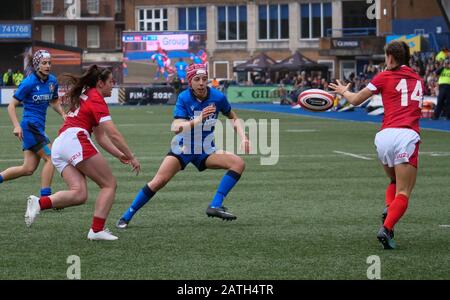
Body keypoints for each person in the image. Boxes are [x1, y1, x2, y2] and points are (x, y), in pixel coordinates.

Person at [116, 63, 250, 229]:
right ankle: (127, 215)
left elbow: (233, 116)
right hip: (183, 149)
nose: (201, 83)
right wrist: (199, 119)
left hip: (206, 150)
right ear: (190, 82)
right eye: (197, 79)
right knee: (158, 181)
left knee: (238, 163)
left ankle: (215, 205)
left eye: (204, 79)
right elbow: (176, 127)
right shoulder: (184, 98)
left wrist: (244, 137)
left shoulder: (218, 97)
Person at [24, 65, 141, 241]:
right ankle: (96, 230)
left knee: (79, 194)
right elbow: (113, 134)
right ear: (100, 83)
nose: (113, 85)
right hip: (74, 140)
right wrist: (131, 156)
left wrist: (119, 155)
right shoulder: (96, 98)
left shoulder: (88, 95)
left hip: (61, 144)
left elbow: (101, 138)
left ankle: (39, 203)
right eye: (111, 82)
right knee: (109, 184)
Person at [330, 41, 424, 250]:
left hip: (384, 136)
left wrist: (344, 91)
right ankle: (387, 227)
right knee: (404, 192)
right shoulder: (418, 79)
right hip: (406, 135)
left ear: (390, 58)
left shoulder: (383, 77)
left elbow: (354, 100)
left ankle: (389, 209)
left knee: (393, 180)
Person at [0, 50, 65, 199]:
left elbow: (54, 101)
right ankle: (45, 199)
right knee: (51, 157)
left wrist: (62, 113)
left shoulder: (52, 81)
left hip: (38, 128)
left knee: (28, 169)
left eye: (49, 63)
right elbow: (11, 106)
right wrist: (16, 126)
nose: (47, 66)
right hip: (30, 126)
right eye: (44, 63)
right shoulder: (28, 82)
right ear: (37, 65)